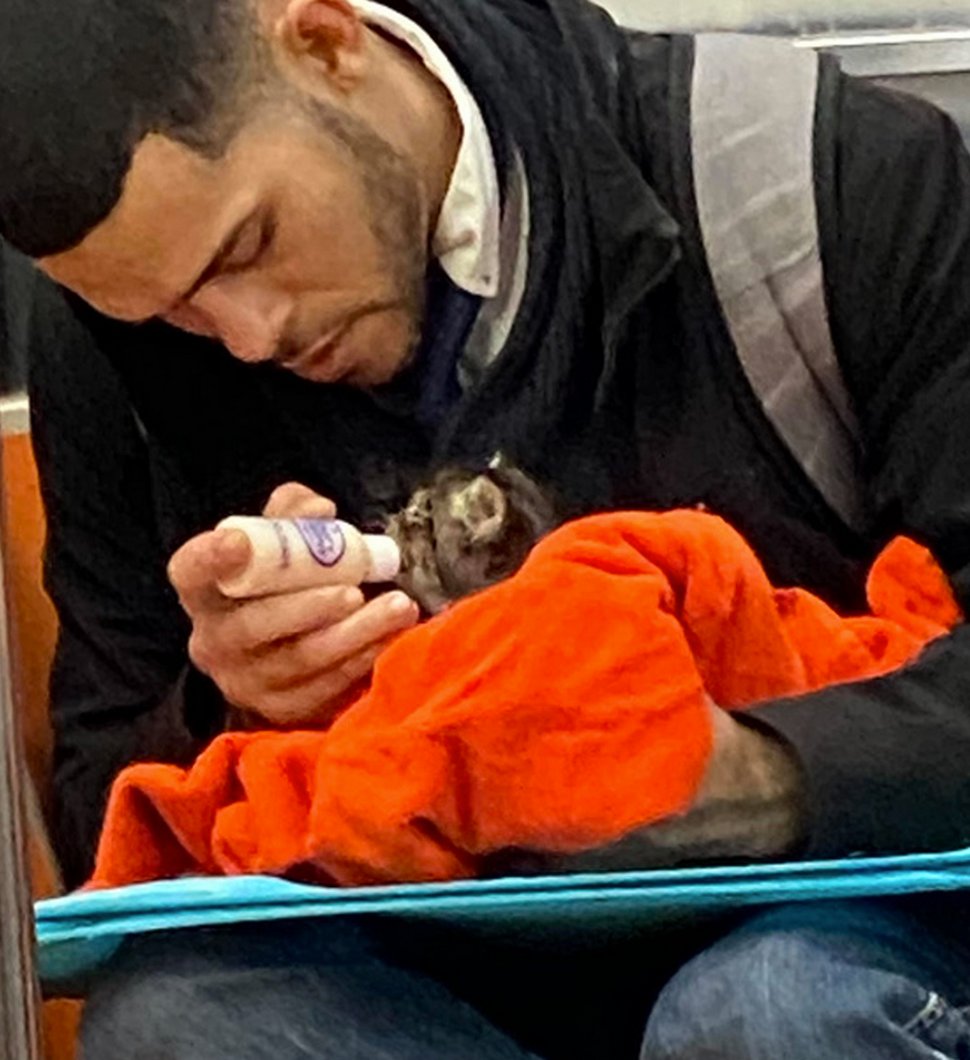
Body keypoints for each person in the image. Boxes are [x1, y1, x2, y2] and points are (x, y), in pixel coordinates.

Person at [3, 0, 970, 1054]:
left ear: (327, 41)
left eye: (249, 245)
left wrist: (762, 777)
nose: (245, 336)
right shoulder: (108, 339)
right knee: (178, 1022)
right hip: (434, 974)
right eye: (171, 312)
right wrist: (231, 702)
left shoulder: (821, 178)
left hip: (837, 910)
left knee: (765, 1008)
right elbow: (104, 807)